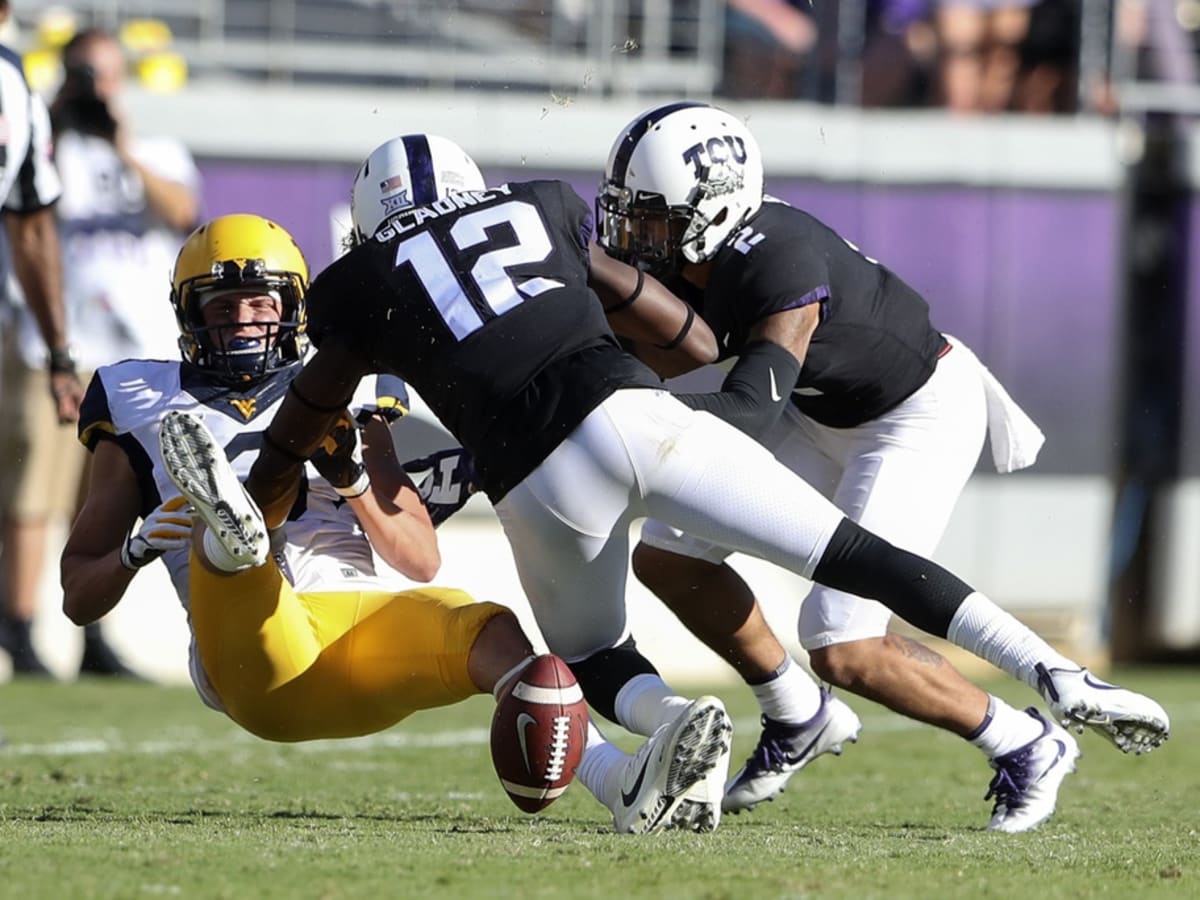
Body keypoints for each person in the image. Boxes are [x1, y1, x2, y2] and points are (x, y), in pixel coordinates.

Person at [184, 131, 1169, 836]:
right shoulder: (547, 205)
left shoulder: (359, 284)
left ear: (366, 228)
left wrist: (260, 503)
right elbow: (688, 336)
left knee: (589, 651)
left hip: (537, 476)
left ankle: (669, 723)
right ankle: (1051, 674)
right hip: (635, 416)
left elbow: (306, 420)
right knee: (854, 559)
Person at [590, 100, 1172, 827]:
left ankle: (1024, 741)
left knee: (842, 640)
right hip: (820, 408)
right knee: (670, 556)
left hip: (913, 415)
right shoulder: (704, 252)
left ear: (713, 207)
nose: (637, 238)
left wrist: (606, 413)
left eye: (652, 220)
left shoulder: (779, 261)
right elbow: (667, 356)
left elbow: (747, 410)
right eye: (630, 217)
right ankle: (796, 712)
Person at [63, 211, 729, 834]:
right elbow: (76, 594)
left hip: (354, 631)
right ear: (189, 314)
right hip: (244, 653)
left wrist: (352, 475)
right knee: (229, 547)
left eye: (260, 303)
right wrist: (135, 548)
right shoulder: (137, 396)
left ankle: (622, 784)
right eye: (222, 305)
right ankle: (231, 533)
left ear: (292, 310)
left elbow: (418, 559)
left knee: (494, 632)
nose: (242, 319)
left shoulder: (342, 386)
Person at [2, 26, 201, 678]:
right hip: (50, 346)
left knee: (102, 499)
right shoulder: (44, 143)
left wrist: (119, 143)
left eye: (105, 74)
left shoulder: (154, 150)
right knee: (33, 492)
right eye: (84, 74)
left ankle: (93, 636)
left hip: (127, 362)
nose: (97, 86)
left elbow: (182, 211)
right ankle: (21, 628)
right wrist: (57, 117)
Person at [0, 0, 85, 676]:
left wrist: (60, 353)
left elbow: (30, 228)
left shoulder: (16, 84)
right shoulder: (15, 84)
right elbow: (32, 230)